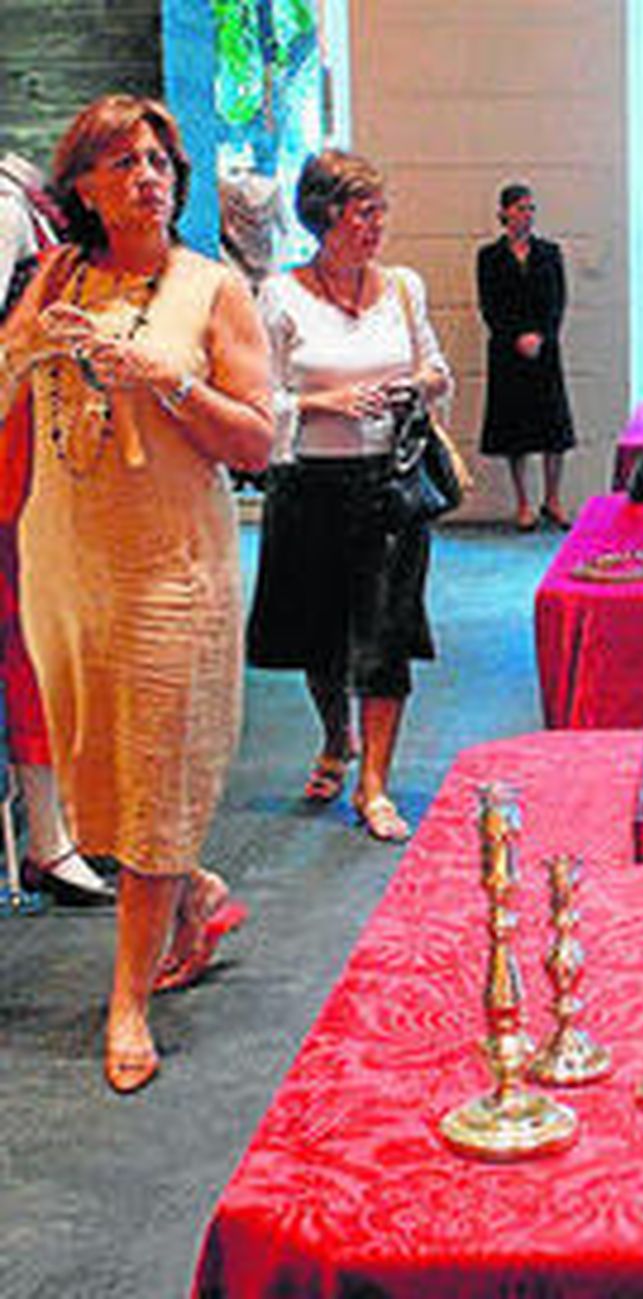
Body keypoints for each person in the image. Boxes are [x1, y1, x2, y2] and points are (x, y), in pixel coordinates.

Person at [0, 95, 273, 1091]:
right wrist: (31, 344)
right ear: (82, 185)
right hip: (64, 561)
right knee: (95, 768)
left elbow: (259, 441)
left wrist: (166, 379)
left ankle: (127, 998)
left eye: (157, 160)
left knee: (154, 771)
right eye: (121, 162)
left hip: (171, 570)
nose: (146, 177)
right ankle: (191, 889)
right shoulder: (55, 275)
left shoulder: (211, 288)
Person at [248, 150, 453, 843]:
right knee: (321, 638)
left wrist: (415, 385)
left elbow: (437, 370)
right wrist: (321, 402)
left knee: (386, 637)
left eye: (380, 211)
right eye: (365, 212)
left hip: (391, 487)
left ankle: (374, 785)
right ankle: (338, 737)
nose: (377, 225)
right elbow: (257, 398)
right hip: (309, 485)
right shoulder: (279, 296)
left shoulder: (403, 288)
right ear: (325, 215)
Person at [0, 150, 116, 906]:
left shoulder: (26, 206)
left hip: (52, 455)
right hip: (17, 461)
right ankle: (49, 837)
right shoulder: (9, 209)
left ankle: (63, 827)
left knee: (52, 648)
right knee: (31, 650)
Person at [476, 182, 575, 530]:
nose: (527, 215)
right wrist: (516, 337)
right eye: (520, 208)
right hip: (507, 351)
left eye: (531, 208)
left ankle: (553, 499)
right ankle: (522, 503)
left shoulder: (549, 252)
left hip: (544, 349)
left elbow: (558, 300)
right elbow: (489, 306)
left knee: (554, 428)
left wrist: (541, 336)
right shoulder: (489, 256)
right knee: (514, 430)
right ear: (504, 213)